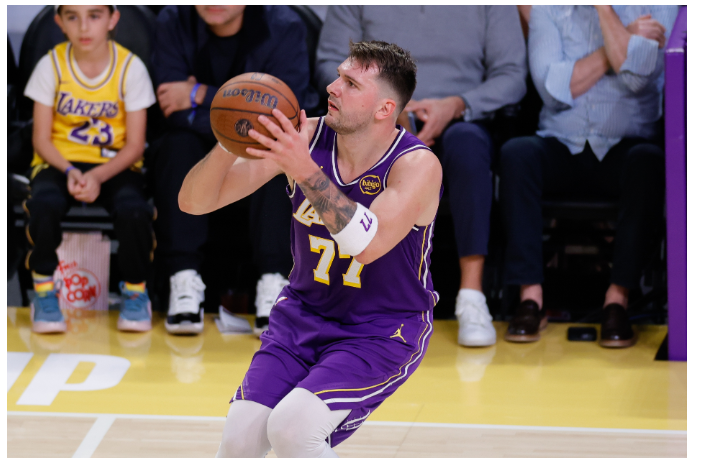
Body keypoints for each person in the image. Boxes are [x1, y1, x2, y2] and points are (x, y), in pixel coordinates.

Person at [180, 41, 442, 458]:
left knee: (292, 430)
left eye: (351, 84)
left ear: (384, 109)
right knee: (239, 442)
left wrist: (301, 167)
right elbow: (194, 202)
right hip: (302, 314)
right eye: (339, 76)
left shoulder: (416, 165)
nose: (332, 87)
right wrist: (229, 138)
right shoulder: (305, 136)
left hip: (381, 328)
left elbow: (367, 246)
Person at [315, 6, 527, 347]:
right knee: (344, 145)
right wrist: (386, 107)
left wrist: (459, 103)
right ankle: (350, 294)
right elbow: (329, 61)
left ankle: (472, 295)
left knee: (468, 146)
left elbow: (512, 75)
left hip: (463, 119)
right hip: (378, 117)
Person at [500, 5, 678, 348]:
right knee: (517, 155)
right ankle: (530, 299)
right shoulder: (549, 10)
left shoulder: (657, 7)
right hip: (562, 143)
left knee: (648, 162)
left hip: (626, 147)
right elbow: (551, 89)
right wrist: (625, 42)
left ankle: (617, 301)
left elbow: (638, 77)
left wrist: (604, 9)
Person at [151, 5, 313, 336]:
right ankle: (183, 279)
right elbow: (171, 109)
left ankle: (274, 281)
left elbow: (288, 114)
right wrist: (246, 119)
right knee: (176, 145)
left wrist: (198, 94)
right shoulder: (173, 20)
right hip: (195, 143)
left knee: (276, 151)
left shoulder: (284, 26)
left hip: (264, 144)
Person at [23, 5, 156, 334]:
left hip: (115, 163)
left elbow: (135, 146)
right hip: (59, 161)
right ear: (60, 22)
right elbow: (41, 139)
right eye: (73, 16)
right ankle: (44, 291)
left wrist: (97, 176)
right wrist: (70, 170)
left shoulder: (131, 67)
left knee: (134, 211)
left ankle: (135, 291)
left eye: (94, 16)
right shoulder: (50, 65)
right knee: (43, 204)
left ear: (113, 19)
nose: (84, 26)